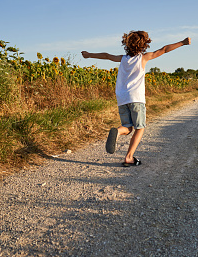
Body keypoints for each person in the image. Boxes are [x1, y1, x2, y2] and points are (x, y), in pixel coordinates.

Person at [81, 30, 191, 167]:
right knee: (140, 128)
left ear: (126, 44)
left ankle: (118, 132)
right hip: (136, 99)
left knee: (128, 127)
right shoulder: (143, 58)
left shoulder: (122, 59)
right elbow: (164, 50)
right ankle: (129, 157)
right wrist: (182, 42)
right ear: (144, 45)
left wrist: (89, 55)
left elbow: (107, 56)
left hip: (122, 99)